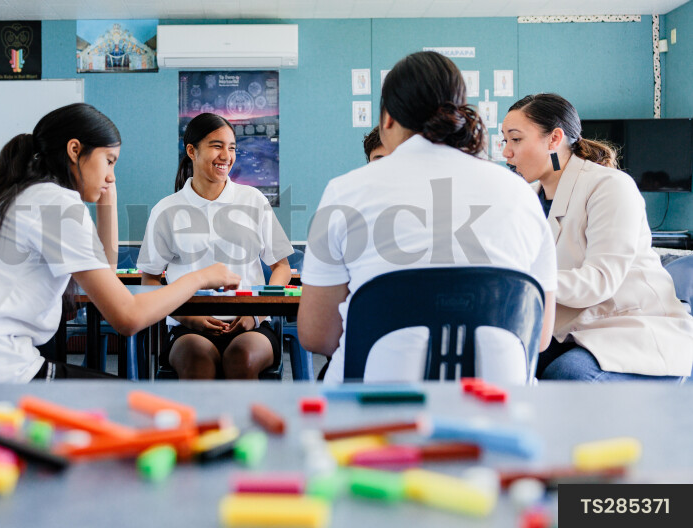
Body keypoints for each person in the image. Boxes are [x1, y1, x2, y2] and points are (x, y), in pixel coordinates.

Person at [0, 103, 240, 382]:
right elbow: (127, 318)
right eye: (109, 161)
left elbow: (106, 275)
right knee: (132, 406)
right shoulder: (56, 204)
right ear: (75, 151)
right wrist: (202, 277)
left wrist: (106, 199)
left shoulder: (23, 196)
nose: (112, 174)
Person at [298, 51, 557, 385]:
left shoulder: (345, 192)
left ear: (387, 118)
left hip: (369, 419)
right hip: (496, 414)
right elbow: (538, 336)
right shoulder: (521, 194)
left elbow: (318, 336)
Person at [501, 93, 693, 381]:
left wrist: (523, 278)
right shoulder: (530, 199)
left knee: (566, 376)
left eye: (515, 139)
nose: (506, 152)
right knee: (503, 365)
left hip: (629, 330)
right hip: (574, 331)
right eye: (505, 141)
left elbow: (600, 280)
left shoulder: (610, 186)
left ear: (554, 139)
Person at [138, 112, 294, 379]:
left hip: (251, 325)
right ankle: (204, 423)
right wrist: (188, 319)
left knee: (240, 358)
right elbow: (149, 279)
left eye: (232, 148)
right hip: (188, 327)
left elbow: (282, 267)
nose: (226, 155)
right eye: (216, 146)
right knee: (198, 362)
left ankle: (241, 423)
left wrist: (254, 316)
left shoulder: (252, 200)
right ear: (192, 151)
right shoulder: (167, 209)